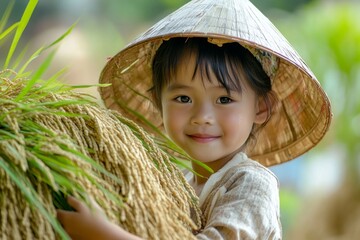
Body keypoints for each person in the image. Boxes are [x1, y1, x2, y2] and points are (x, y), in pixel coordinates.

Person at [57, 0, 332, 239]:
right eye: (183, 99)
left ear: (261, 107)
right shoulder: (179, 185)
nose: (202, 117)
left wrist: (102, 233)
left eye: (224, 99)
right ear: (158, 104)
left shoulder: (251, 185)